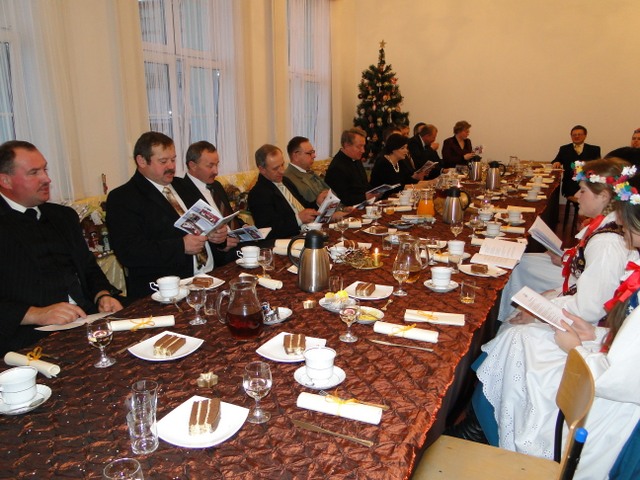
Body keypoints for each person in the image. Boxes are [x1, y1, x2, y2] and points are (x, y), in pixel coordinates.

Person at [468, 169, 640, 480]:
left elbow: (619, 379)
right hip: (600, 348)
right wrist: (596, 333)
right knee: (516, 340)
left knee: (517, 341)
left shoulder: (609, 242)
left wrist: (576, 347)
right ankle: (478, 422)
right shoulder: (613, 238)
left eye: (629, 226)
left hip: (609, 402)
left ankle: (482, 427)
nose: (624, 232)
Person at [0, 140, 123, 354]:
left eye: (45, 170)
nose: (46, 179)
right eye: (34, 172)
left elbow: (88, 267)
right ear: (5, 181)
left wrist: (102, 295)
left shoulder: (63, 216)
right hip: (29, 335)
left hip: (88, 317)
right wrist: (36, 314)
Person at [498, 158, 637, 325]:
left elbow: (590, 308)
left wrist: (539, 312)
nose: (577, 195)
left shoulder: (606, 243)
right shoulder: (606, 227)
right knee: (524, 267)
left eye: (583, 191)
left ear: (603, 196)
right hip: (581, 301)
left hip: (586, 324)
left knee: (514, 331)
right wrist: (552, 294)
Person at [106, 132, 228, 300]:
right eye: (163, 161)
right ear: (142, 161)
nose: (171, 166)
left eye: (173, 159)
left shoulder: (183, 186)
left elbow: (203, 224)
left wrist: (217, 236)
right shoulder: (123, 198)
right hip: (165, 292)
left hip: (211, 278)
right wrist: (180, 246)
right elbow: (129, 252)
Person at [182, 141, 242, 266]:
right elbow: (192, 232)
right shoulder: (183, 192)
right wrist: (222, 244)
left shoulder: (216, 185)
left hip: (237, 243)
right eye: (210, 166)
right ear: (193, 166)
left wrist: (244, 226)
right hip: (218, 254)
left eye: (217, 164)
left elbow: (228, 216)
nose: (216, 171)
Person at [248, 144, 319, 240]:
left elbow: (304, 205)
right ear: (262, 169)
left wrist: (318, 203)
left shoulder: (285, 181)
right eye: (275, 168)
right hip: (289, 240)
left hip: (308, 231)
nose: (282, 171)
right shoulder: (258, 194)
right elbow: (269, 231)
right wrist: (298, 219)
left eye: (282, 165)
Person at [325, 128, 375, 206]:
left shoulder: (356, 159)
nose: (363, 150)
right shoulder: (337, 168)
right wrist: (365, 197)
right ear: (347, 145)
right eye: (359, 146)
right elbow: (343, 199)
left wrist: (375, 192)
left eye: (363, 146)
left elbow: (364, 185)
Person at [551, 125, 601, 197]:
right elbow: (556, 160)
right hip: (570, 184)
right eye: (574, 135)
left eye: (579, 134)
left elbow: (598, 166)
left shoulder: (594, 149)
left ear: (585, 136)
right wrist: (557, 162)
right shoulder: (564, 149)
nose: (577, 136)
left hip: (588, 183)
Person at [370, 134, 425, 198]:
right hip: (381, 199)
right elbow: (393, 188)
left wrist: (425, 183)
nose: (406, 151)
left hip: (395, 198)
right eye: (402, 148)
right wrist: (423, 185)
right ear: (393, 149)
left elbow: (408, 180)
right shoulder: (383, 163)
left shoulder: (400, 162)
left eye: (406, 148)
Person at [283, 136, 331, 204]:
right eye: (309, 153)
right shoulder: (287, 179)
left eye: (313, 152)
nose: (314, 156)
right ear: (296, 156)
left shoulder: (309, 171)